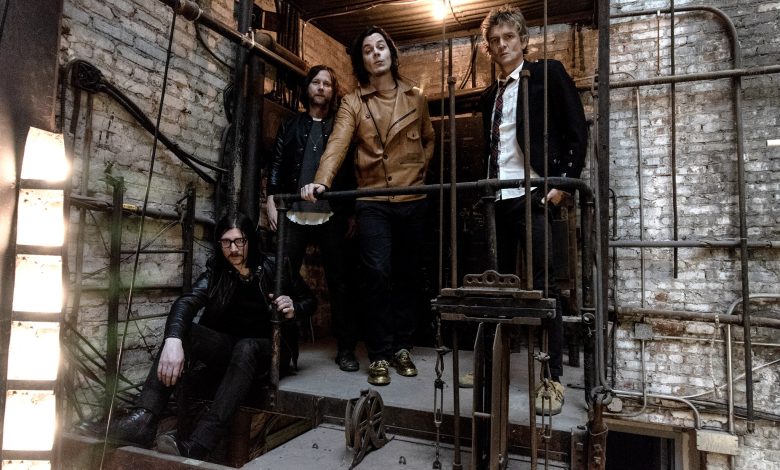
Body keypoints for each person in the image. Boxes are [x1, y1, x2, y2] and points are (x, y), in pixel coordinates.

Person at [107, 212, 316, 459]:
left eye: (239, 241)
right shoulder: (217, 271)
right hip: (230, 349)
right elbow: (186, 302)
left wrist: (294, 308)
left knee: (246, 346)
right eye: (226, 242)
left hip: (269, 351)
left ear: (250, 240)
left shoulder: (278, 266)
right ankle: (143, 420)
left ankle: (200, 444)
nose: (233, 249)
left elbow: (310, 301)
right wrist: (173, 340)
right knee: (186, 332)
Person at [301, 26, 435, 386]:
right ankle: (379, 352)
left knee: (408, 274)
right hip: (372, 199)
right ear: (361, 61)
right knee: (376, 273)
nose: (376, 53)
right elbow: (338, 143)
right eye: (367, 50)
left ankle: (402, 347)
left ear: (391, 52)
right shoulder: (353, 102)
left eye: (380, 47)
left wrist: (418, 174)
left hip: (412, 198)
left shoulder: (416, 97)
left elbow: (428, 139)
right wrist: (322, 180)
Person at [479, 6, 587, 415]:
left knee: (545, 289)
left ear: (523, 40)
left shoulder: (547, 74)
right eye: (495, 40)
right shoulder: (490, 96)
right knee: (497, 288)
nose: (502, 45)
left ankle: (551, 377)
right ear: (489, 48)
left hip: (535, 194)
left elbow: (576, 131)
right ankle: (492, 368)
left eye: (509, 37)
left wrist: (561, 186)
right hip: (498, 199)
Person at [267, 65, 360, 373]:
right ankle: (281, 351)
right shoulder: (291, 125)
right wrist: (271, 203)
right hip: (293, 214)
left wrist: (352, 212)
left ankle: (346, 350)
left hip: (332, 215)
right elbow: (276, 167)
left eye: (327, 84)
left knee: (340, 284)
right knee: (282, 281)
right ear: (307, 88)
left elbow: (351, 172)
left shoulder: (340, 128)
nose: (321, 87)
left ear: (333, 92)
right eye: (316, 82)